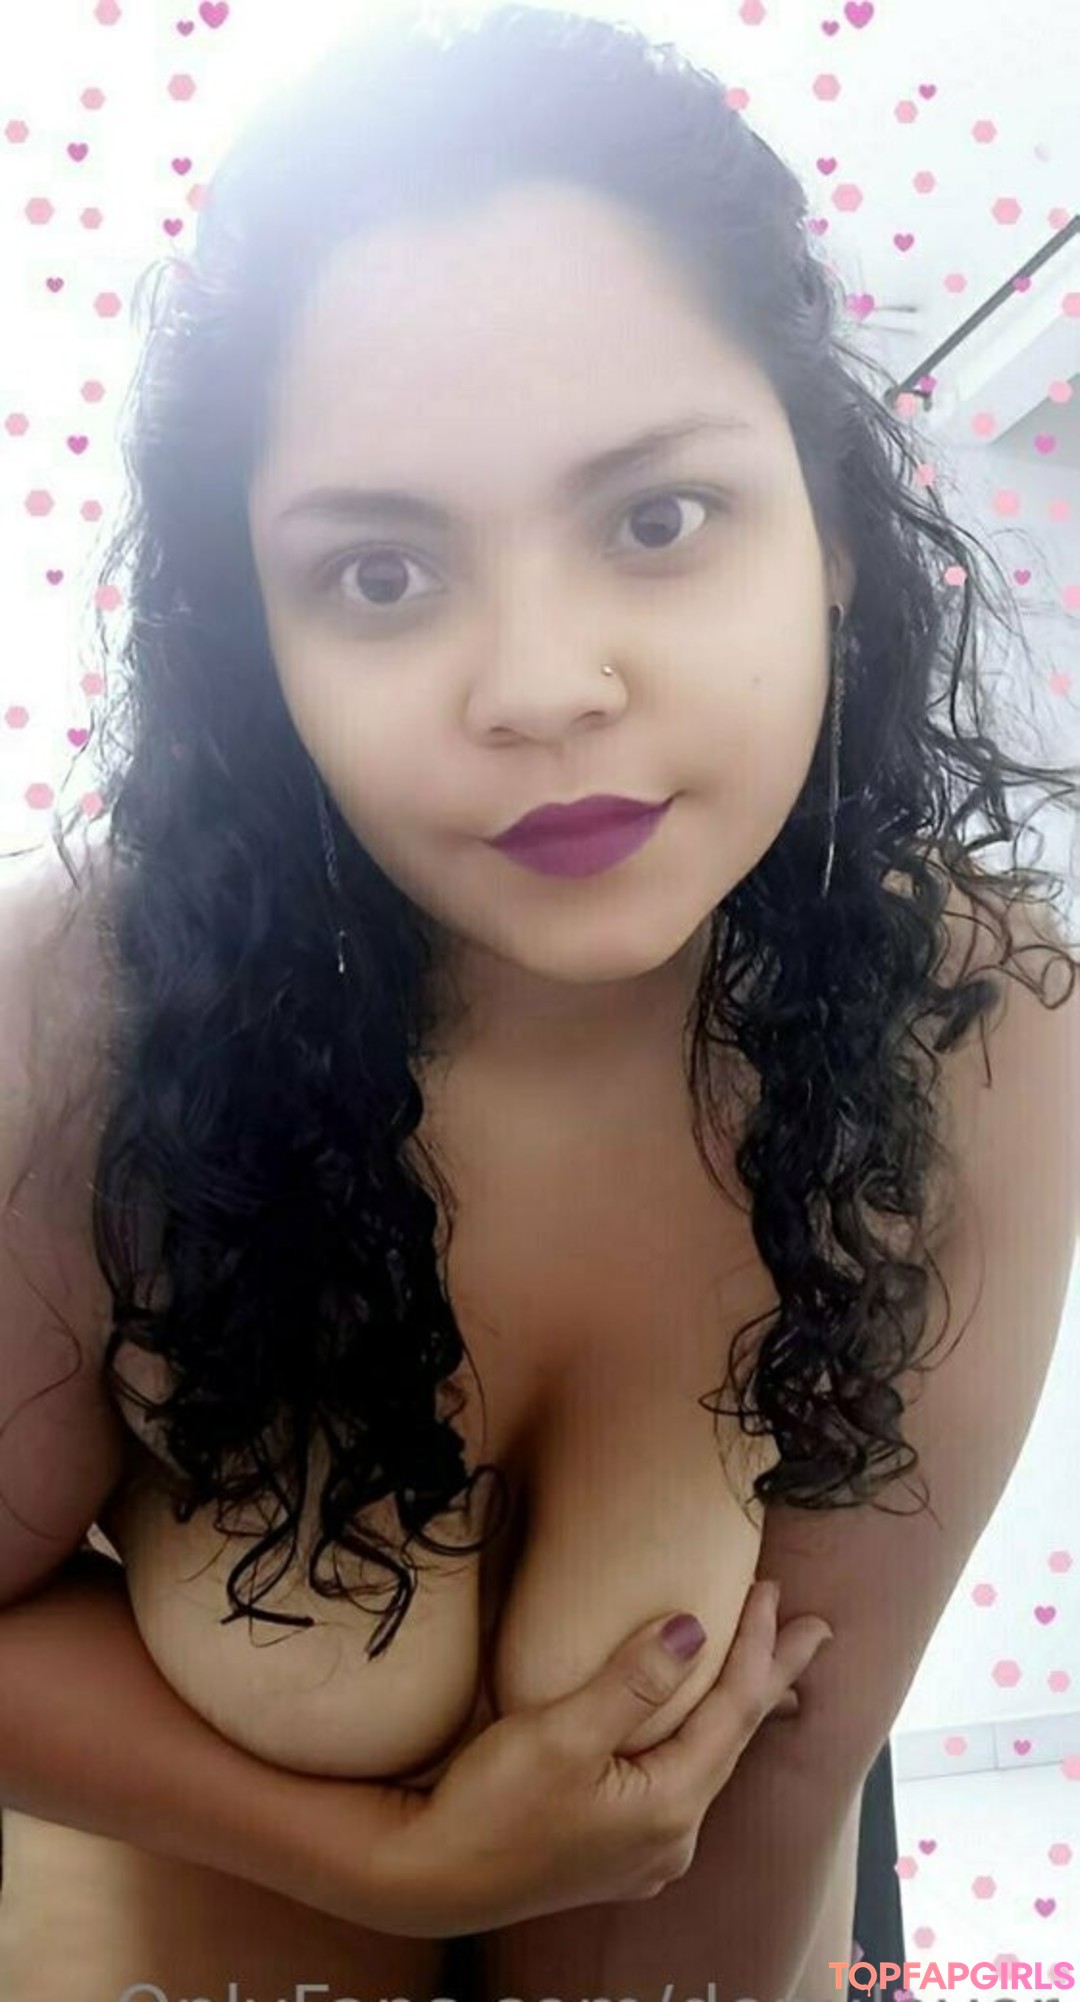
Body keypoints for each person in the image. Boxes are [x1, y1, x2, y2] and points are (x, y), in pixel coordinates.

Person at [0, 8, 1077, 2001]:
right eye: (382, 574)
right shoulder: (81, 1011)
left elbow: (791, 1766)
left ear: (834, 536)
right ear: (262, 642)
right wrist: (384, 1859)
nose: (542, 685)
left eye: (657, 519)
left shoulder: (982, 1030)